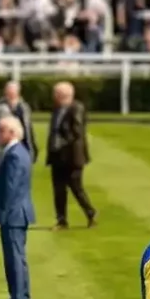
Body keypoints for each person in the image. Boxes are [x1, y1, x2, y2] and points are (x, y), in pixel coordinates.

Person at [0, 113, 34, 299]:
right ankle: (22, 295)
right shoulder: (19, 152)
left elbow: (10, 189)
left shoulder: (14, 154)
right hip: (19, 212)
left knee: (14, 257)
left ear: (12, 132)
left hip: (13, 214)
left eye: (0, 130)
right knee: (18, 256)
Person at [47, 80, 95, 228]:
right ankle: (61, 220)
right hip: (57, 156)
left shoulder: (76, 108)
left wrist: (62, 141)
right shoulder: (56, 109)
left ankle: (90, 213)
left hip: (73, 157)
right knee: (59, 189)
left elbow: (77, 131)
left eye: (56, 93)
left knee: (76, 188)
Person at [0, 80, 34, 175]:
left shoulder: (24, 108)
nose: (10, 95)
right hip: (0, 151)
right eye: (8, 92)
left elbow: (29, 131)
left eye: (13, 92)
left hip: (20, 148)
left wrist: (32, 150)